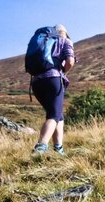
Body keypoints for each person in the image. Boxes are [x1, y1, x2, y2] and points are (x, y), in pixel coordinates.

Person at [31, 25, 76, 156]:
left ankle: (58, 148)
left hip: (36, 83)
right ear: (65, 34)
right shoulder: (65, 41)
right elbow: (70, 62)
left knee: (57, 114)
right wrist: (63, 73)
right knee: (54, 115)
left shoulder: (43, 43)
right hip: (53, 80)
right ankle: (41, 146)